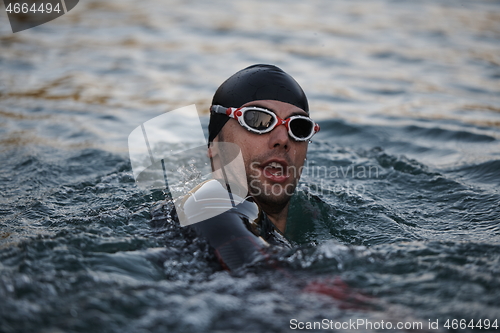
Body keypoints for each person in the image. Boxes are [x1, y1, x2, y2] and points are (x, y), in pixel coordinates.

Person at [182, 64, 320, 270]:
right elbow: (249, 264)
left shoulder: (314, 215)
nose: (282, 139)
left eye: (298, 127)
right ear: (214, 144)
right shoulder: (206, 200)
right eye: (258, 120)